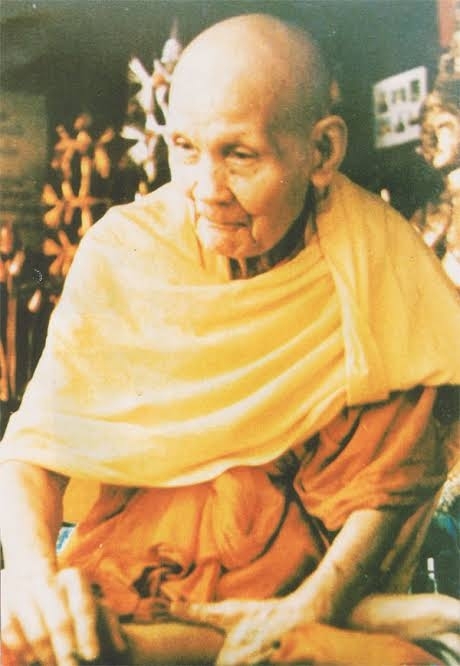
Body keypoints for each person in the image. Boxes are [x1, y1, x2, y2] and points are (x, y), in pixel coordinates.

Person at [1, 13, 460, 666]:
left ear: (322, 152)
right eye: (185, 148)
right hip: (131, 578)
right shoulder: (126, 250)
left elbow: (390, 479)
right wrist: (31, 580)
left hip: (303, 595)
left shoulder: (376, 257)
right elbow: (33, 451)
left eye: (240, 156)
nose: (205, 191)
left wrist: (314, 607)